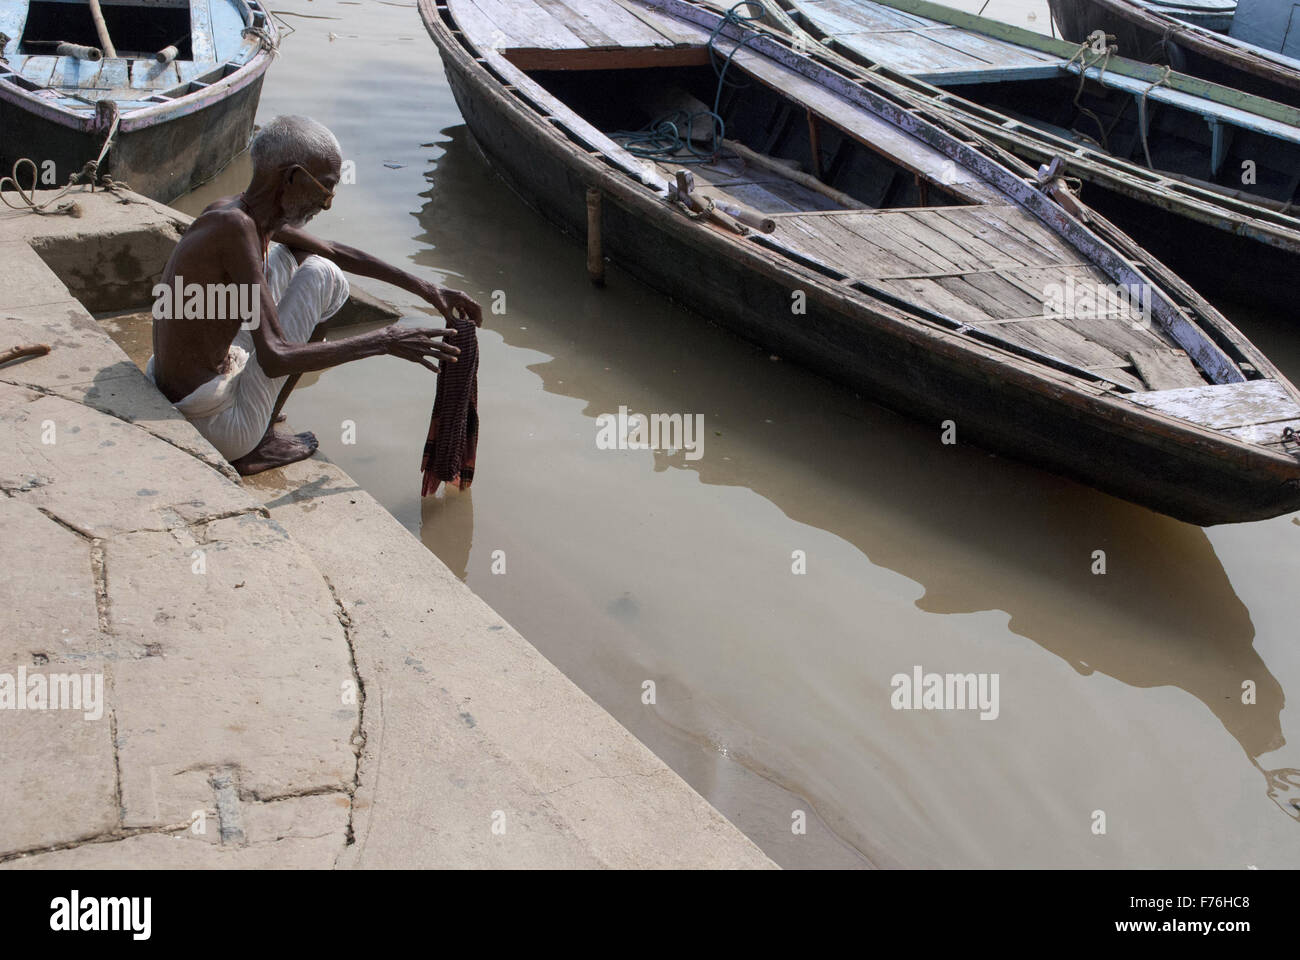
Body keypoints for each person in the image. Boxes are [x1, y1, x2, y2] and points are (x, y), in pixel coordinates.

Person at [145, 115, 482, 475]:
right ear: (290, 177)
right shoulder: (235, 229)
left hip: (179, 387)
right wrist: (386, 340)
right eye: (324, 189)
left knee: (288, 258)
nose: (327, 205)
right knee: (324, 276)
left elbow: (334, 248)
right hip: (214, 425)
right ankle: (260, 440)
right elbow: (275, 357)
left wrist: (429, 289)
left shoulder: (235, 212)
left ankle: (261, 421)